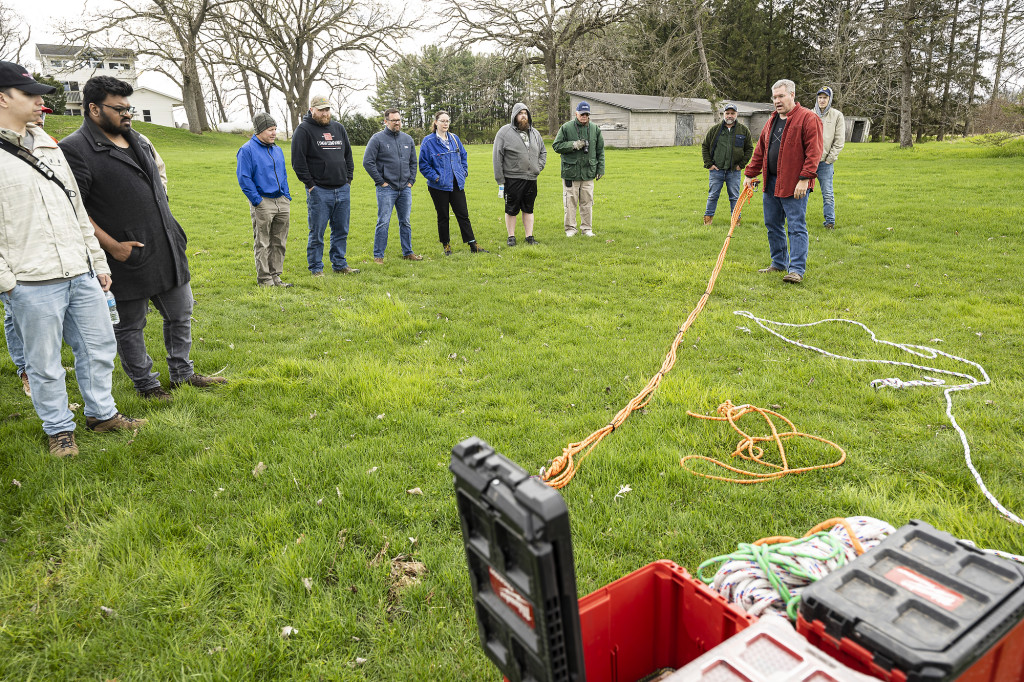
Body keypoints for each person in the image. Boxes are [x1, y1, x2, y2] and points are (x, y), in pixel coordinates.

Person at [0, 62, 146, 457]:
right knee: (44, 363)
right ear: (2, 98)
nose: (39, 102)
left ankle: (102, 415)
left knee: (99, 347)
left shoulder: (48, 143)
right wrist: (7, 281)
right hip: (31, 281)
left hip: (79, 272)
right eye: (29, 94)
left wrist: (97, 261)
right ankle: (59, 430)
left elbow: (76, 208)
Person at [60, 76, 227, 401]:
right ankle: (147, 385)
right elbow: (74, 209)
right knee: (129, 326)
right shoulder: (76, 149)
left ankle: (183, 373)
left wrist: (173, 232)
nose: (128, 113)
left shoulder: (137, 139)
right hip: (126, 257)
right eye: (119, 108)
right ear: (94, 109)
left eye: (129, 107)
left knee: (180, 313)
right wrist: (113, 247)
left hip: (166, 247)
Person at [743, 79, 823, 284]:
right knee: (773, 224)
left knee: (796, 226)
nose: (777, 101)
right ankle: (779, 263)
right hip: (771, 182)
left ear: (792, 95)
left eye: (781, 96)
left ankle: (796, 269)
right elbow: (761, 149)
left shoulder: (808, 118)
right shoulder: (772, 120)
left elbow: (814, 152)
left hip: (795, 183)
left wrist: (805, 179)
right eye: (774, 97)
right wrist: (750, 174)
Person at [291, 95, 359, 276]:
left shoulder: (338, 128)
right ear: (312, 110)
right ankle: (316, 268)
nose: (325, 113)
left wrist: (348, 179)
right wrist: (311, 185)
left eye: (327, 109)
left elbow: (348, 156)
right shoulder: (303, 130)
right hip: (319, 191)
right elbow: (298, 162)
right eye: (321, 110)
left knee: (341, 230)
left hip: (342, 189)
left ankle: (339, 264)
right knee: (317, 232)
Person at [418, 110, 487, 255]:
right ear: (436, 122)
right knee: (443, 216)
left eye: (447, 121)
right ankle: (446, 245)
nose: (445, 124)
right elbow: (423, 165)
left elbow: (463, 156)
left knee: (463, 214)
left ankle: (472, 244)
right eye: (442, 121)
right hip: (438, 186)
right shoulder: (428, 142)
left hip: (456, 183)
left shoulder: (454, 138)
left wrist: (464, 172)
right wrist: (436, 178)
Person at [237, 112, 293, 286]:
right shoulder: (247, 150)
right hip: (263, 202)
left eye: (275, 129)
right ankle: (265, 279)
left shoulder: (277, 149)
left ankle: (276, 275)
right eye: (270, 129)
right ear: (259, 130)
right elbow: (244, 178)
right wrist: (257, 201)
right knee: (263, 242)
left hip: (281, 201)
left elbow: (283, 175)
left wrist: (286, 196)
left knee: (279, 241)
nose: (274, 133)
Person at [363, 109, 422, 263]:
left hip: (405, 188)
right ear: (386, 121)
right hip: (386, 189)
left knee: (405, 221)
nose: (397, 122)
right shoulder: (377, 139)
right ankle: (378, 256)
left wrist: (411, 181)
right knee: (383, 221)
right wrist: (381, 181)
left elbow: (413, 162)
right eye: (394, 120)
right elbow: (367, 162)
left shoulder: (407, 139)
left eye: (399, 120)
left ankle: (408, 252)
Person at [493, 103, 546, 246]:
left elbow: (543, 152)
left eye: (526, 113)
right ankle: (511, 237)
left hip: (531, 178)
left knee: (528, 208)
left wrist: (537, 168)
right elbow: (497, 156)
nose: (523, 115)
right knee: (511, 209)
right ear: (514, 116)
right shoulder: (504, 132)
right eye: (520, 113)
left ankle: (529, 237)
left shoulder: (535, 133)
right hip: (513, 178)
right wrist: (500, 179)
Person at [552, 101, 605, 237]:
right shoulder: (566, 127)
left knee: (587, 202)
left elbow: (600, 151)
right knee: (570, 202)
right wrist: (574, 145)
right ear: (576, 113)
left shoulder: (595, 129)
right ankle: (570, 229)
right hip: (570, 172)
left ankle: (587, 229)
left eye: (587, 114)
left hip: (588, 172)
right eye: (582, 114)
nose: (584, 116)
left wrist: (600, 169)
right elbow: (556, 146)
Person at [701, 103, 753, 225]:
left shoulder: (743, 130)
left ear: (737, 114)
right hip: (716, 170)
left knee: (735, 197)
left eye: (732, 113)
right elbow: (705, 146)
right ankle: (708, 220)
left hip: (733, 171)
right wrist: (709, 164)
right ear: (723, 114)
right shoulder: (715, 130)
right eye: (727, 113)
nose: (730, 116)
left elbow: (749, 148)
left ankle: (736, 221)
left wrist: (741, 164)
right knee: (713, 196)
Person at [814, 87, 845, 230]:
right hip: (808, 162)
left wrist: (829, 159)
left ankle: (830, 222)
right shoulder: (809, 114)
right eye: (820, 97)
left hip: (825, 163)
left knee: (827, 194)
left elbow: (839, 141)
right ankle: (798, 221)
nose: (822, 100)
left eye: (825, 98)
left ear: (829, 99)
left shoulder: (837, 116)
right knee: (802, 193)